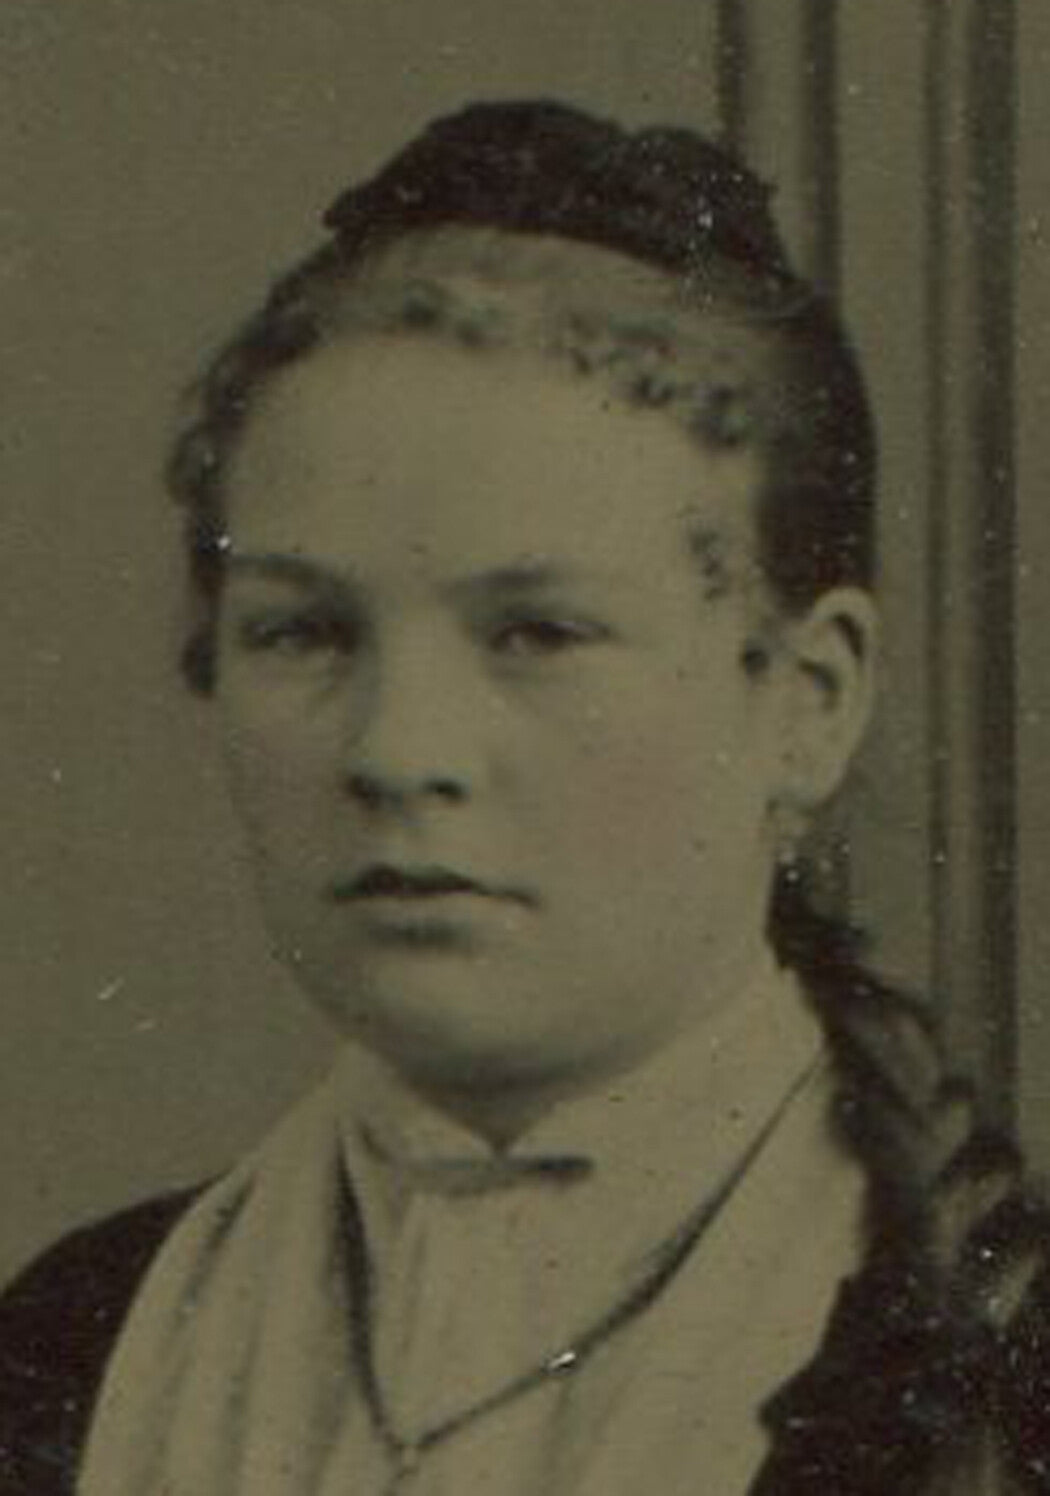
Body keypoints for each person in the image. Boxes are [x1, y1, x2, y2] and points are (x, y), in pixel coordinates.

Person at [1, 99, 1048, 1496]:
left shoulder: (1000, 1373)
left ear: (808, 700)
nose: (397, 749)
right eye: (302, 632)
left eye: (537, 634)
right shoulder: (77, 1347)